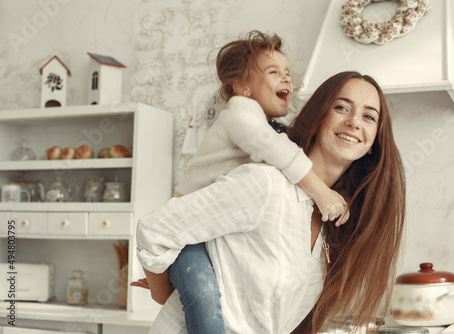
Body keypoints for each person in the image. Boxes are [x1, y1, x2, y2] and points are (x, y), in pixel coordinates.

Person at [136, 71, 406, 333]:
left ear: (373, 143)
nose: (354, 122)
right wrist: (166, 292)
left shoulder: (332, 222)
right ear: (318, 116)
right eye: (342, 107)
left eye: (369, 116)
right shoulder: (266, 184)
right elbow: (155, 230)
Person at [132, 30, 349, 334]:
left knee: (206, 293)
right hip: (187, 230)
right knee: (205, 293)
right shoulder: (240, 112)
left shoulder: (270, 128)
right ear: (242, 87)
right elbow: (274, 149)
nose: (286, 79)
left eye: (287, 72)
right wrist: (321, 191)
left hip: (206, 230)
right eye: (273, 72)